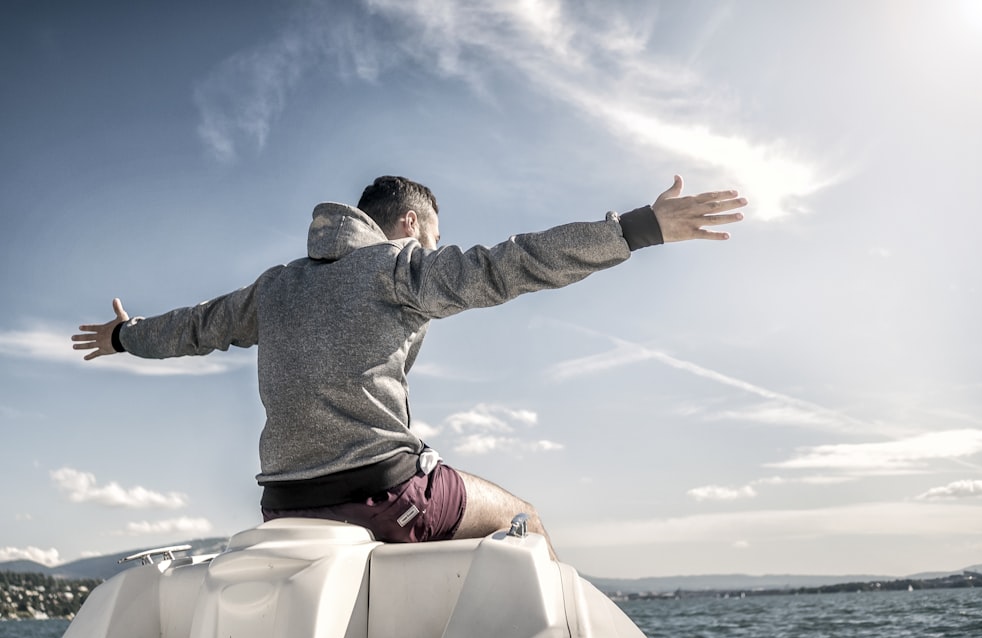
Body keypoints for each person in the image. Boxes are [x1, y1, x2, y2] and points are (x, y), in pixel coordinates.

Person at [72, 174, 746, 557]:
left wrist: (125, 337)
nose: (437, 248)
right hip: (386, 495)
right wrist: (638, 228)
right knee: (528, 520)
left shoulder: (273, 286)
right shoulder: (398, 267)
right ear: (407, 225)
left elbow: (194, 327)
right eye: (435, 236)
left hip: (284, 503)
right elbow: (509, 264)